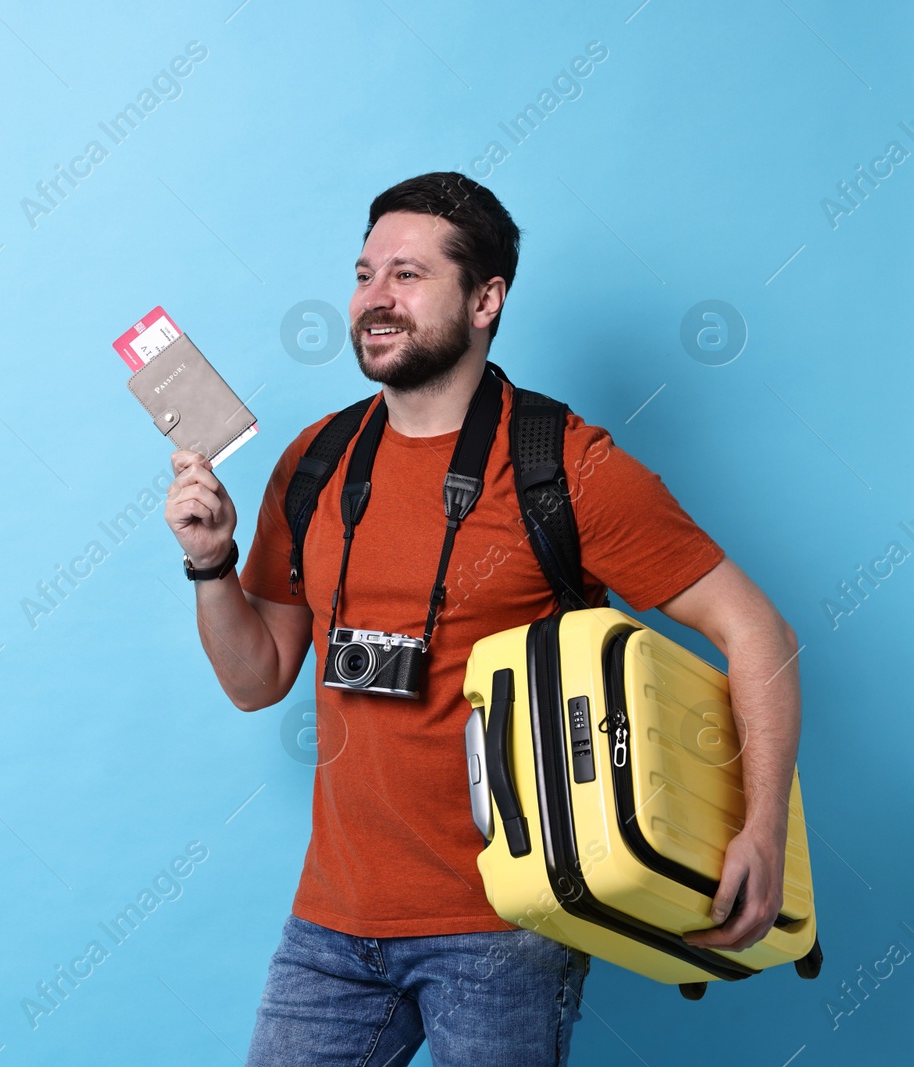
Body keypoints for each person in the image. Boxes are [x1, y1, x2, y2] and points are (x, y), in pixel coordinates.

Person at [162, 172, 801, 1066]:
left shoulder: (564, 466)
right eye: (364, 272)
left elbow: (757, 631)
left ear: (485, 299)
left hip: (508, 927)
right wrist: (211, 560)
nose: (375, 298)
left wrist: (762, 826)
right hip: (331, 926)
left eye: (408, 275)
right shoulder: (313, 461)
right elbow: (254, 678)